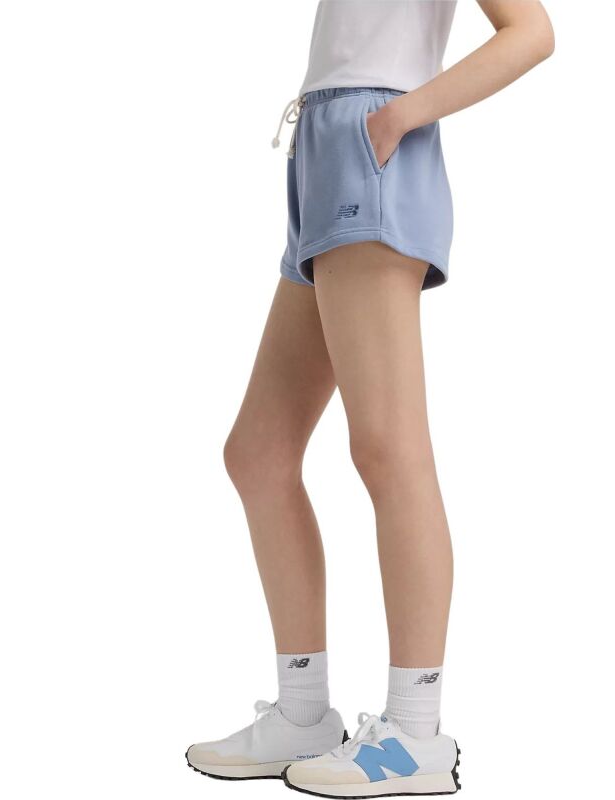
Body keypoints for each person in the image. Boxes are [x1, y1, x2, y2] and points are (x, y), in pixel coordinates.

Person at [186, 1, 554, 796]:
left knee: (389, 447)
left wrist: (402, 115)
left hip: (369, 142)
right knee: (259, 453)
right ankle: (303, 712)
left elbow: (532, 31)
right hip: (322, 148)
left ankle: (415, 736)